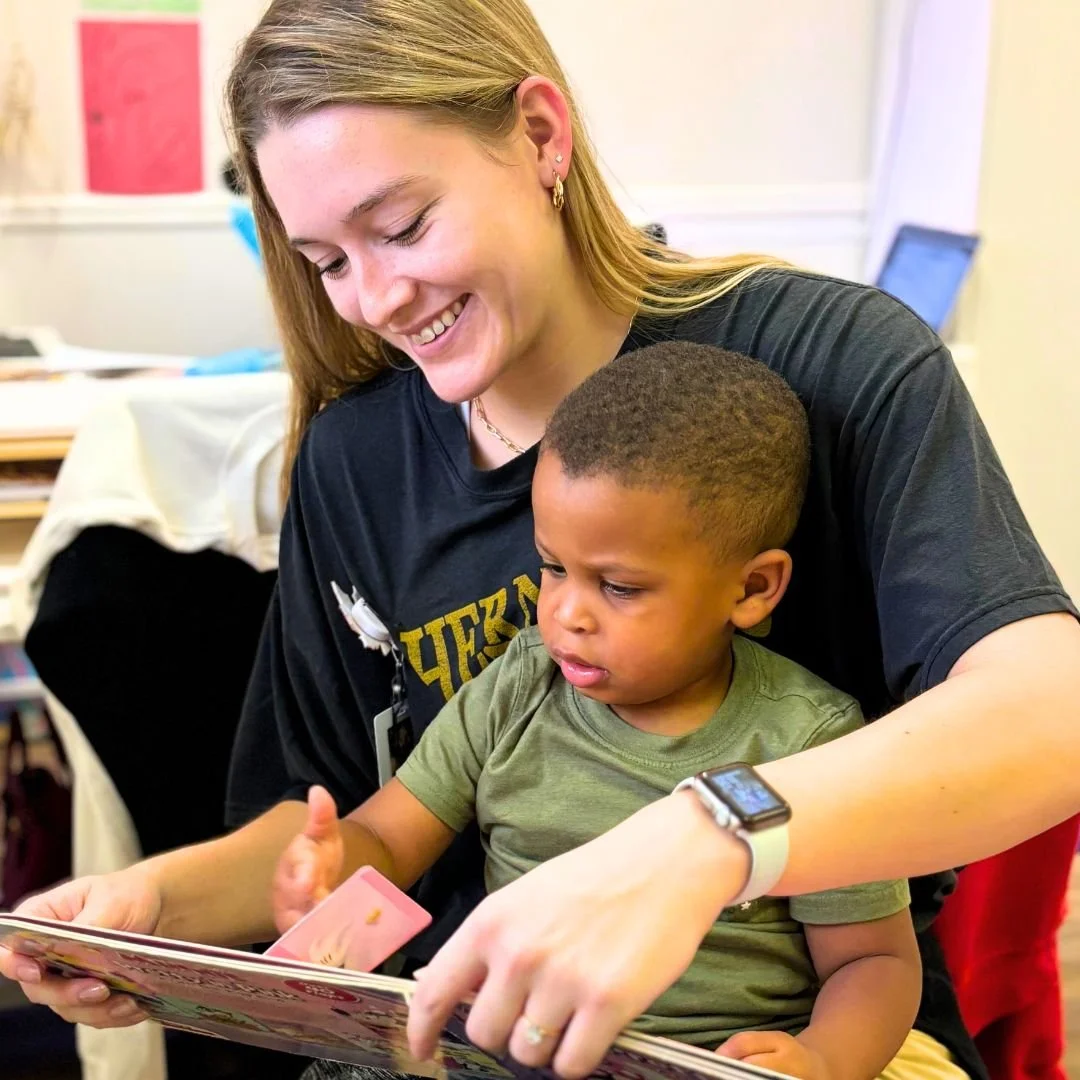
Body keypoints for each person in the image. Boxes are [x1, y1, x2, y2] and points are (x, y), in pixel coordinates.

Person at [2, 3, 1078, 1080]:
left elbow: (1050, 712)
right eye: (327, 261)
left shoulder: (833, 362)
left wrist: (709, 834)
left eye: (406, 225)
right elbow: (332, 826)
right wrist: (154, 904)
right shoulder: (355, 459)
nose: (375, 299)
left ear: (541, 137)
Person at [273, 342, 923, 1080]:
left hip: (698, 1063)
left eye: (618, 587)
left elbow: (872, 960)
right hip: (504, 1051)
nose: (567, 615)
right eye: (552, 567)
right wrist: (331, 869)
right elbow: (390, 840)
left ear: (751, 590)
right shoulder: (519, 685)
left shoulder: (806, 741)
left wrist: (824, 1059)